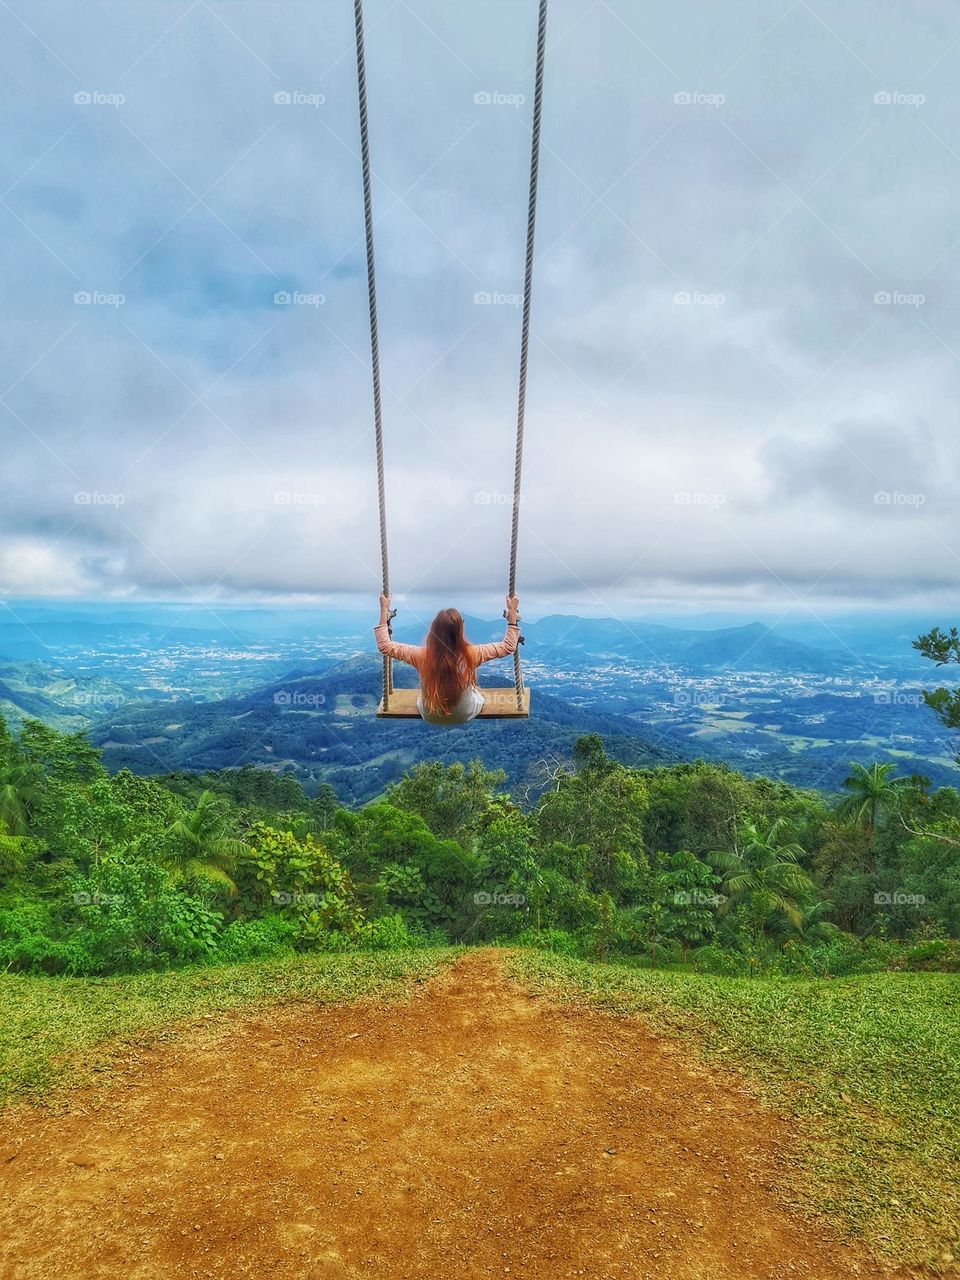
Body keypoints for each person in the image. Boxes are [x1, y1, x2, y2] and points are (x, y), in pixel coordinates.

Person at [374, 593, 521, 725]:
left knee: (423, 696)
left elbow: (384, 646)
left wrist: (383, 610)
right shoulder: (472, 654)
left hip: (431, 715)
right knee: (476, 693)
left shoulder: (422, 655)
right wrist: (512, 614)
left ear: (434, 629)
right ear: (459, 630)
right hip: (465, 713)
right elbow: (508, 646)